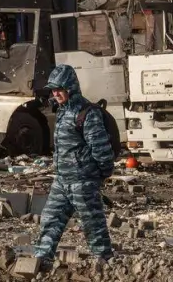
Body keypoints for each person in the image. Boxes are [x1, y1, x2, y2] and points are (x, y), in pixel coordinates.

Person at [33, 64, 116, 268]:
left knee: (94, 227)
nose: (56, 93)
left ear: (71, 88)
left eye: (60, 89)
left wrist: (97, 177)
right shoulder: (62, 112)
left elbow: (102, 150)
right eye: (53, 89)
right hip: (62, 181)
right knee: (50, 221)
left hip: (83, 182)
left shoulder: (87, 114)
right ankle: (40, 264)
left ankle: (106, 266)